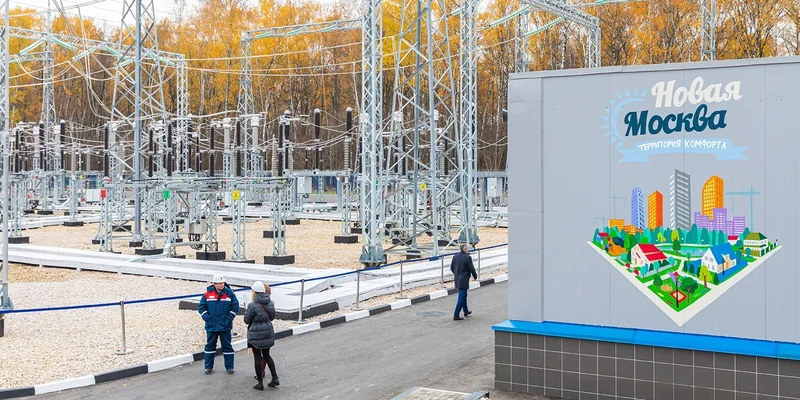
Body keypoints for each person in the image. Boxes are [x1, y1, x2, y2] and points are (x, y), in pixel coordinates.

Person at [198, 274, 239, 374]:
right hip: (212, 327)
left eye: (222, 283)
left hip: (225, 327)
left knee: (227, 347)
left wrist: (229, 318)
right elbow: (201, 308)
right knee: (210, 347)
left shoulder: (230, 294)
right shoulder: (207, 294)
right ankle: (208, 367)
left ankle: (229, 367)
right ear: (214, 284)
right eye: (219, 283)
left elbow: (235, 307)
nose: (221, 285)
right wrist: (208, 319)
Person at [244, 281, 280, 390]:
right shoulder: (270, 302)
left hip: (256, 334)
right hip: (268, 332)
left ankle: (260, 383)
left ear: (254, 292)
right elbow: (272, 317)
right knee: (267, 355)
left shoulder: (252, 305)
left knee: (257, 357)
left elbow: (246, 320)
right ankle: (275, 378)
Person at [451, 243, 478, 321]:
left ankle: (466, 311)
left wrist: (457, 274)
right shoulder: (468, 257)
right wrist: (475, 276)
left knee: (464, 295)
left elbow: (452, 267)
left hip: (457, 278)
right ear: (465, 249)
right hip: (464, 279)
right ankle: (456, 315)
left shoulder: (455, 256)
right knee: (461, 297)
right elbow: (471, 268)